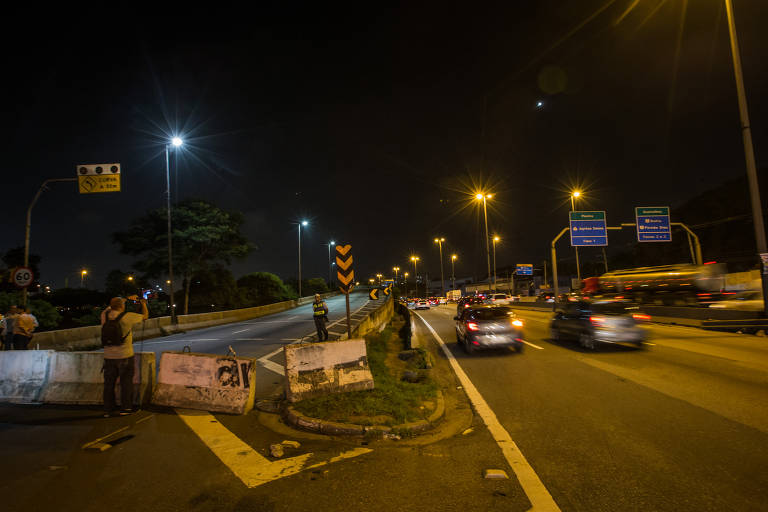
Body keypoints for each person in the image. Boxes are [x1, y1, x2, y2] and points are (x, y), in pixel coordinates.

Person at [101, 295, 148, 417]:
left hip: (108, 357)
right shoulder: (128, 316)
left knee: (108, 385)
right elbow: (145, 316)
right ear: (122, 306)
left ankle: (107, 410)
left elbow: (109, 307)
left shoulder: (104, 315)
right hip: (125, 355)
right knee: (126, 383)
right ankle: (126, 408)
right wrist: (142, 303)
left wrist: (123, 298)